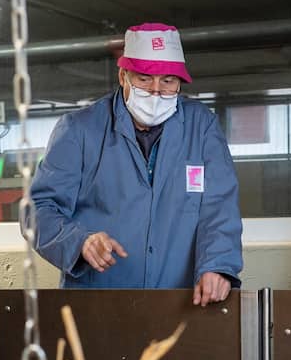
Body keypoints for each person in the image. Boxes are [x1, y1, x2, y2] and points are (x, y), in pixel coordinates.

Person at [30, 23, 242, 305]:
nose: (156, 92)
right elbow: (38, 210)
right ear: (123, 76)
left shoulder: (201, 127)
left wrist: (217, 266)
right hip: (99, 302)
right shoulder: (79, 130)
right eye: (144, 79)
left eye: (168, 82)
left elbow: (219, 207)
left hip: (181, 301)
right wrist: (78, 241)